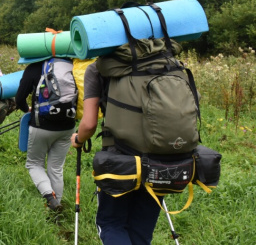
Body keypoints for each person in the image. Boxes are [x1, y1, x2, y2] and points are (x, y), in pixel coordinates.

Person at [70, 62, 162, 245]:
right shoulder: (163, 63)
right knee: (142, 229)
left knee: (111, 224)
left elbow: (88, 124)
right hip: (162, 158)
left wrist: (78, 140)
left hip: (119, 160)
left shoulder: (99, 68)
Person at [15, 57, 76, 212]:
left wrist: (26, 109)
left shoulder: (34, 68)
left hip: (41, 126)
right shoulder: (73, 65)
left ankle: (49, 197)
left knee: (34, 164)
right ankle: (55, 210)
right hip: (67, 127)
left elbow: (19, 98)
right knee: (56, 168)